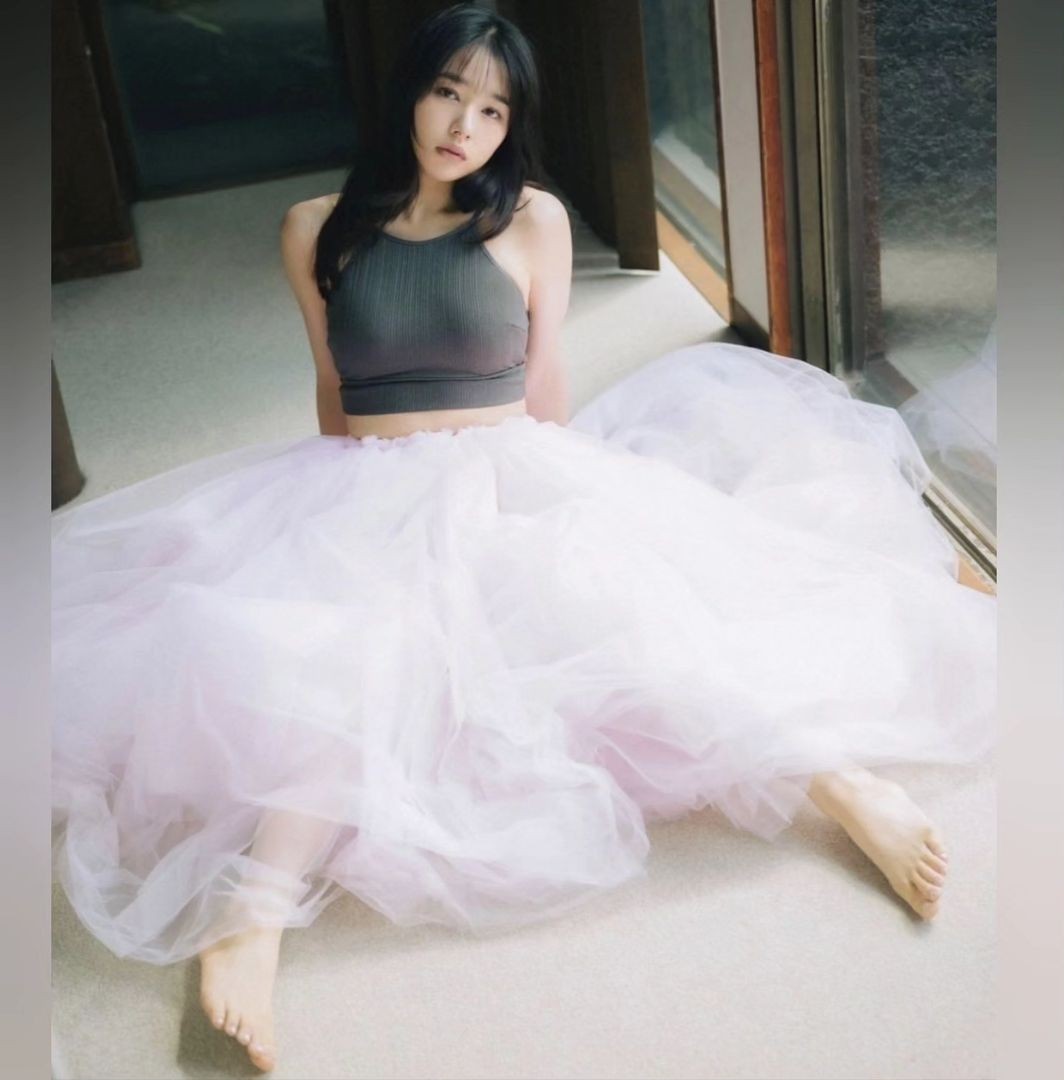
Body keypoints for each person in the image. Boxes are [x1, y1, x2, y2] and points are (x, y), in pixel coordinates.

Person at [51, 4, 995, 1073]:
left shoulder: (532, 220)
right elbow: (332, 389)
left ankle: (846, 785)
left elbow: (545, 387)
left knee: (630, 612)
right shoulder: (314, 227)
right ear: (410, 93)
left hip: (509, 463)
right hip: (365, 480)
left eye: (494, 110)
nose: (466, 125)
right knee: (347, 655)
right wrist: (340, 519)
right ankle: (250, 917)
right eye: (448, 92)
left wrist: (565, 504)